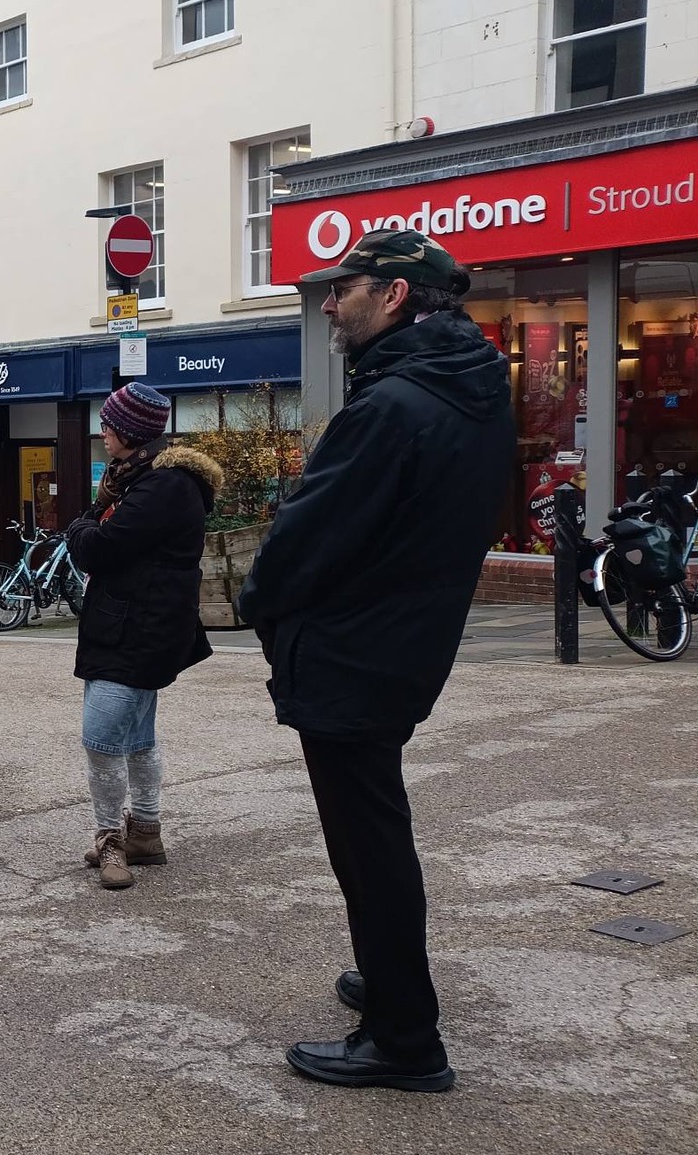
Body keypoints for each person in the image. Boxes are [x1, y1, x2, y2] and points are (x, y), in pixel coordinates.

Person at [239, 228, 512, 1094]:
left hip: (356, 655)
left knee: (369, 847)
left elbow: (307, 535)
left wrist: (261, 603)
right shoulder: (467, 390)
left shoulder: (394, 405)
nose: (328, 302)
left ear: (393, 295)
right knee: (376, 833)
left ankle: (404, 1036)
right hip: (402, 647)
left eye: (343, 288)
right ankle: (392, 981)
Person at [63, 383, 221, 890]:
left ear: (127, 431)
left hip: (135, 630)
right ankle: (146, 831)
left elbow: (98, 548)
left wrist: (83, 521)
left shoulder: (162, 485)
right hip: (137, 625)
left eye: (107, 425)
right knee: (136, 736)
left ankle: (112, 837)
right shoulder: (145, 479)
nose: (102, 433)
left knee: (102, 738)